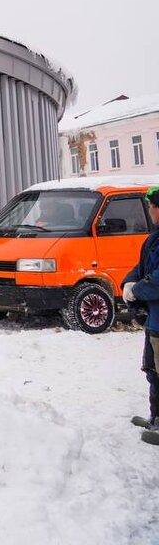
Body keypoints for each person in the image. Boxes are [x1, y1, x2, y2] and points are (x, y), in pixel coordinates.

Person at [123, 187, 159, 438]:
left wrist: (137, 290)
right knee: (153, 369)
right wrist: (129, 281)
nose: (149, 211)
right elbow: (143, 265)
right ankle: (155, 417)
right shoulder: (155, 237)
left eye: (151, 207)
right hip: (154, 320)